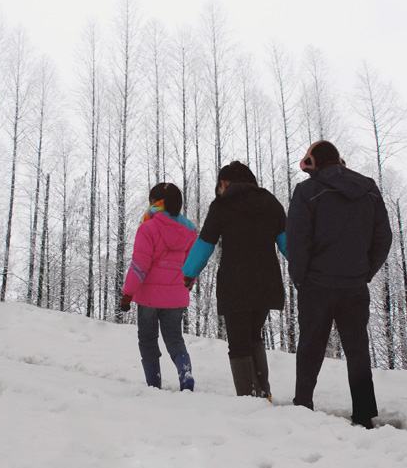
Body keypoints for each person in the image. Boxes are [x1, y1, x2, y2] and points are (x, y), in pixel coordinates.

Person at [286, 141, 392, 429]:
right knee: (357, 349)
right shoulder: (369, 188)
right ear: (339, 161)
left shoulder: (307, 192)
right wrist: (365, 272)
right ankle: (363, 414)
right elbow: (383, 237)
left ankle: (303, 404)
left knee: (310, 347)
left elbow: (297, 242)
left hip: (317, 284)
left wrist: (301, 279)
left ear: (315, 163)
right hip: (355, 284)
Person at [182, 161, 287, 399]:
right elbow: (287, 244)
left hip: (235, 284)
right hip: (266, 283)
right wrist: (308, 270)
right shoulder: (271, 203)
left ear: (223, 183)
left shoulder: (222, 204)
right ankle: (263, 393)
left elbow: (205, 243)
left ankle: (249, 398)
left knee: (239, 342)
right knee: (254, 335)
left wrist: (188, 274)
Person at [120, 183, 198, 391]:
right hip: (175, 296)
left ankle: (154, 385)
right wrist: (188, 284)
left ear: (155, 203)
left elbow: (140, 264)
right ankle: (186, 373)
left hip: (149, 297)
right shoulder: (190, 230)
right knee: (174, 338)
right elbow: (193, 263)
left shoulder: (148, 227)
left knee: (147, 338)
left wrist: (128, 293)